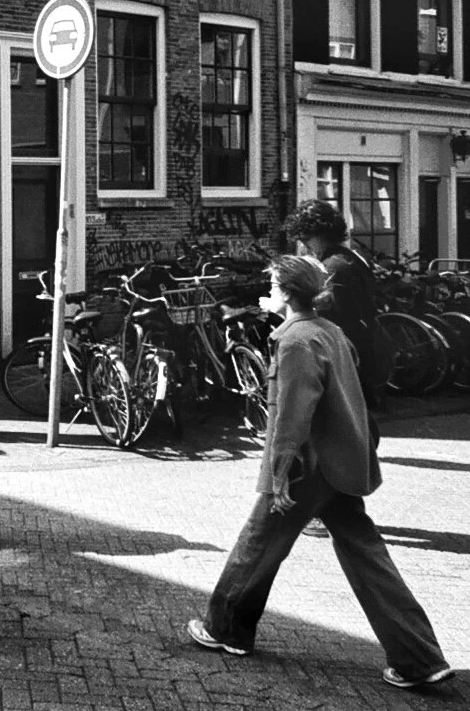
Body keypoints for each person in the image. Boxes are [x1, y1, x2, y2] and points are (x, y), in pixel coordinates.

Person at [186, 256, 454, 691]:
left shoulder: (293, 342)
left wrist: (278, 475)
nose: (266, 290)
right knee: (368, 558)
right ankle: (418, 657)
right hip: (340, 464)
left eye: (271, 284)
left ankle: (224, 629)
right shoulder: (331, 332)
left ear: (288, 292)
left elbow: (290, 416)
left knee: (257, 543)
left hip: (307, 468)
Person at [282, 200, 379, 406]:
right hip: (362, 347)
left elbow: (328, 313)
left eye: (306, 237)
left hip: (347, 353)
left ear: (320, 234)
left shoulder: (333, 267)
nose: (303, 243)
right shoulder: (349, 258)